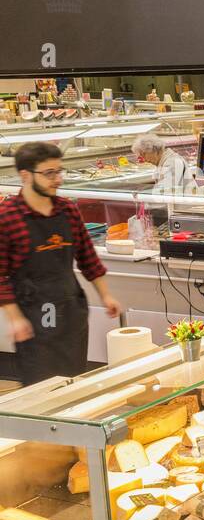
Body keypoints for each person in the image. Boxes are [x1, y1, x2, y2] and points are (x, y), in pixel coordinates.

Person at [0, 143, 123, 385]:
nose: (57, 179)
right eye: (49, 173)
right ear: (25, 175)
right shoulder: (7, 217)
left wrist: (106, 296)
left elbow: (88, 257)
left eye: (59, 171)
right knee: (42, 384)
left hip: (71, 307)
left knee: (74, 377)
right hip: (34, 312)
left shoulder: (67, 209)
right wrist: (15, 317)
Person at [132, 134, 199, 195]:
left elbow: (166, 191)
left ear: (154, 150)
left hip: (185, 206)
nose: (144, 160)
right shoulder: (164, 161)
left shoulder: (173, 163)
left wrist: (145, 192)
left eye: (144, 155)